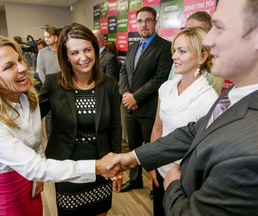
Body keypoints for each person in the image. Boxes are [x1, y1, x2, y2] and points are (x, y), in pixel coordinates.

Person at [107, 0, 258, 215]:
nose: (208, 39)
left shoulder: (250, 143)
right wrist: (134, 157)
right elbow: (194, 132)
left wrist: (172, 185)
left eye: (220, 27)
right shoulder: (230, 97)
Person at [0, 35, 121, 216]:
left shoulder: (27, 98)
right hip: (3, 192)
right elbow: (35, 167)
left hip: (31, 184)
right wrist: (97, 167)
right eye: (9, 66)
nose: (23, 68)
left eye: (20, 60)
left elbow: (34, 146)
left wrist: (35, 178)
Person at [39, 23, 122, 216]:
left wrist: (116, 167)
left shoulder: (109, 84)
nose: (83, 58)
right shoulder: (53, 83)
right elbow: (30, 119)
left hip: (102, 166)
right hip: (68, 168)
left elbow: (115, 128)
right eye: (74, 52)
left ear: (95, 48)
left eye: (87, 50)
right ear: (66, 56)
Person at [149, 28, 218, 216]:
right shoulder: (166, 87)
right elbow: (158, 127)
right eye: (174, 50)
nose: (174, 57)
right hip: (160, 171)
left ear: (203, 56)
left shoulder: (209, 100)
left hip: (184, 182)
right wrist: (152, 163)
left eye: (182, 51)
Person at [119, 6, 173, 192]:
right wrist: (126, 95)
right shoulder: (133, 46)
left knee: (152, 150)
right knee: (133, 148)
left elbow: (160, 78)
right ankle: (135, 180)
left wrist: (136, 97)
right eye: (140, 21)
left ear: (155, 22)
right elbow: (123, 71)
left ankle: (155, 186)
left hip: (150, 111)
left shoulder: (165, 47)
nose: (144, 24)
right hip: (130, 109)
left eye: (148, 20)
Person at [168, 11, 224, 94]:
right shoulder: (177, 58)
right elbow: (169, 89)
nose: (189, 35)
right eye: (187, 30)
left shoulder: (216, 67)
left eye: (196, 32)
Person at [37, 26, 61, 139]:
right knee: (49, 115)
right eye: (45, 36)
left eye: (48, 36)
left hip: (64, 86)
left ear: (56, 38)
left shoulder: (64, 51)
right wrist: (48, 85)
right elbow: (40, 70)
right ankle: (50, 138)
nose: (45, 39)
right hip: (49, 88)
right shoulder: (42, 53)